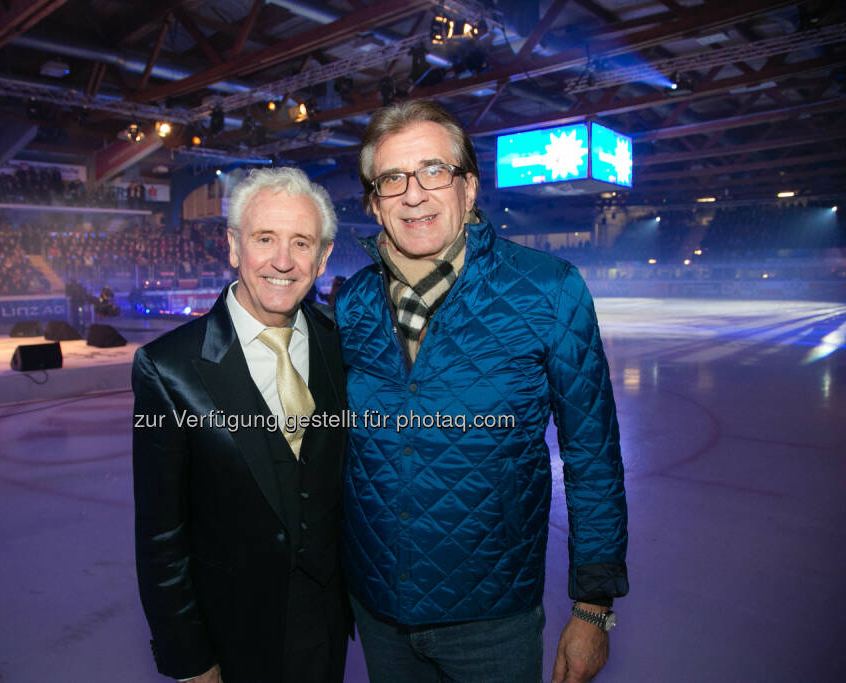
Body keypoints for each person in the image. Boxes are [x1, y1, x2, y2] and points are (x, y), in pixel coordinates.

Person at [336, 100, 628, 683]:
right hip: (377, 612)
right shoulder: (352, 302)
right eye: (392, 179)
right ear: (374, 203)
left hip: (492, 619)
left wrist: (594, 607)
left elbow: (592, 455)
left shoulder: (550, 290)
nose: (413, 194)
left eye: (433, 171)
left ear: (468, 188)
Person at [132, 167, 351, 683]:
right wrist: (188, 656)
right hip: (229, 638)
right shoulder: (168, 368)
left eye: (301, 243)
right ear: (234, 246)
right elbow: (161, 536)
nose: (282, 260)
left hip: (325, 626)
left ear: (322, 258)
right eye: (265, 238)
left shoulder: (340, 344)